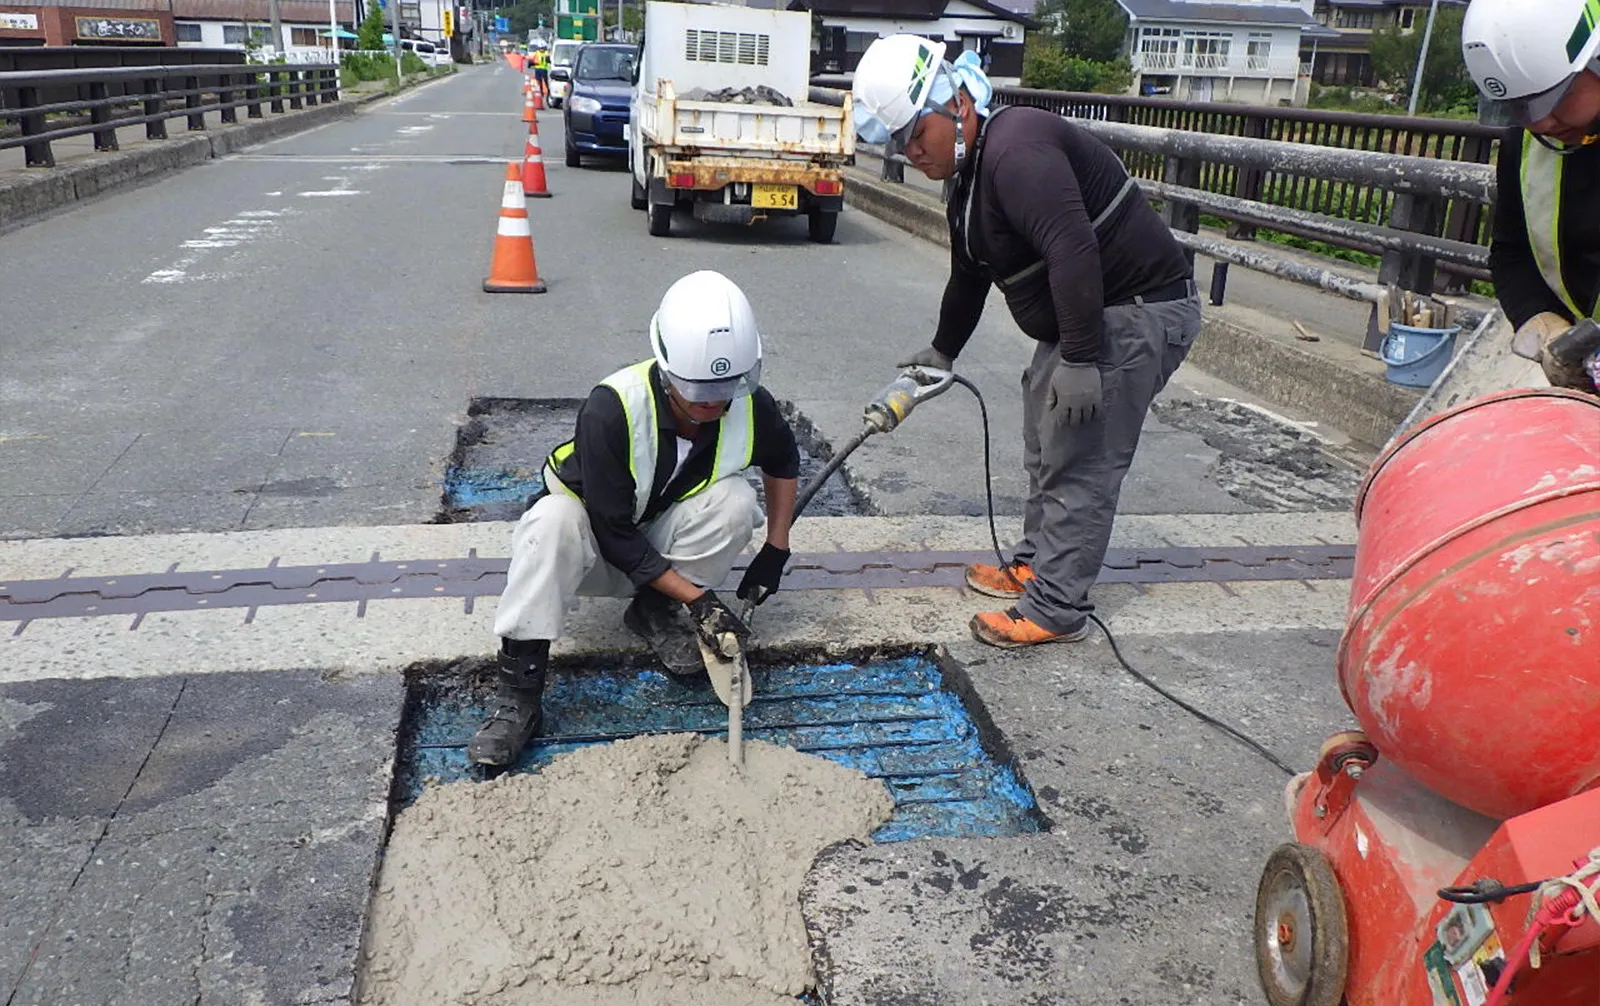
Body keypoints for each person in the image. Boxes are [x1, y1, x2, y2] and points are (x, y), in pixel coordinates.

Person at [851, 36, 1202, 650]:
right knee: (1045, 444)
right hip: (1088, 314)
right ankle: (1037, 565)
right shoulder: (968, 176)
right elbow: (968, 273)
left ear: (957, 103)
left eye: (917, 134)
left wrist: (1082, 359)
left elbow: (1072, 247)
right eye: (899, 143)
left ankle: (1059, 607)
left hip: (1135, 310)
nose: (911, 152)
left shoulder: (1016, 152)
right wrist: (943, 350)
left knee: (1080, 460)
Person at [468, 271, 801, 767]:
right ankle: (519, 695)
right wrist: (701, 601)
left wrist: (776, 546)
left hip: (655, 543)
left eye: (726, 387)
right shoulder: (612, 408)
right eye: (698, 390)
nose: (714, 402)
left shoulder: (750, 404)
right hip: (588, 552)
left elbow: (783, 460)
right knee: (551, 520)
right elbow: (613, 532)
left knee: (735, 501)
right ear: (666, 368)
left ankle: (653, 609)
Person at [1463, 0, 1600, 392]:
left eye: (1554, 98)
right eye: (1521, 108)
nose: (1540, 122)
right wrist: (1544, 326)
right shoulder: (1526, 148)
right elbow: (1512, 252)